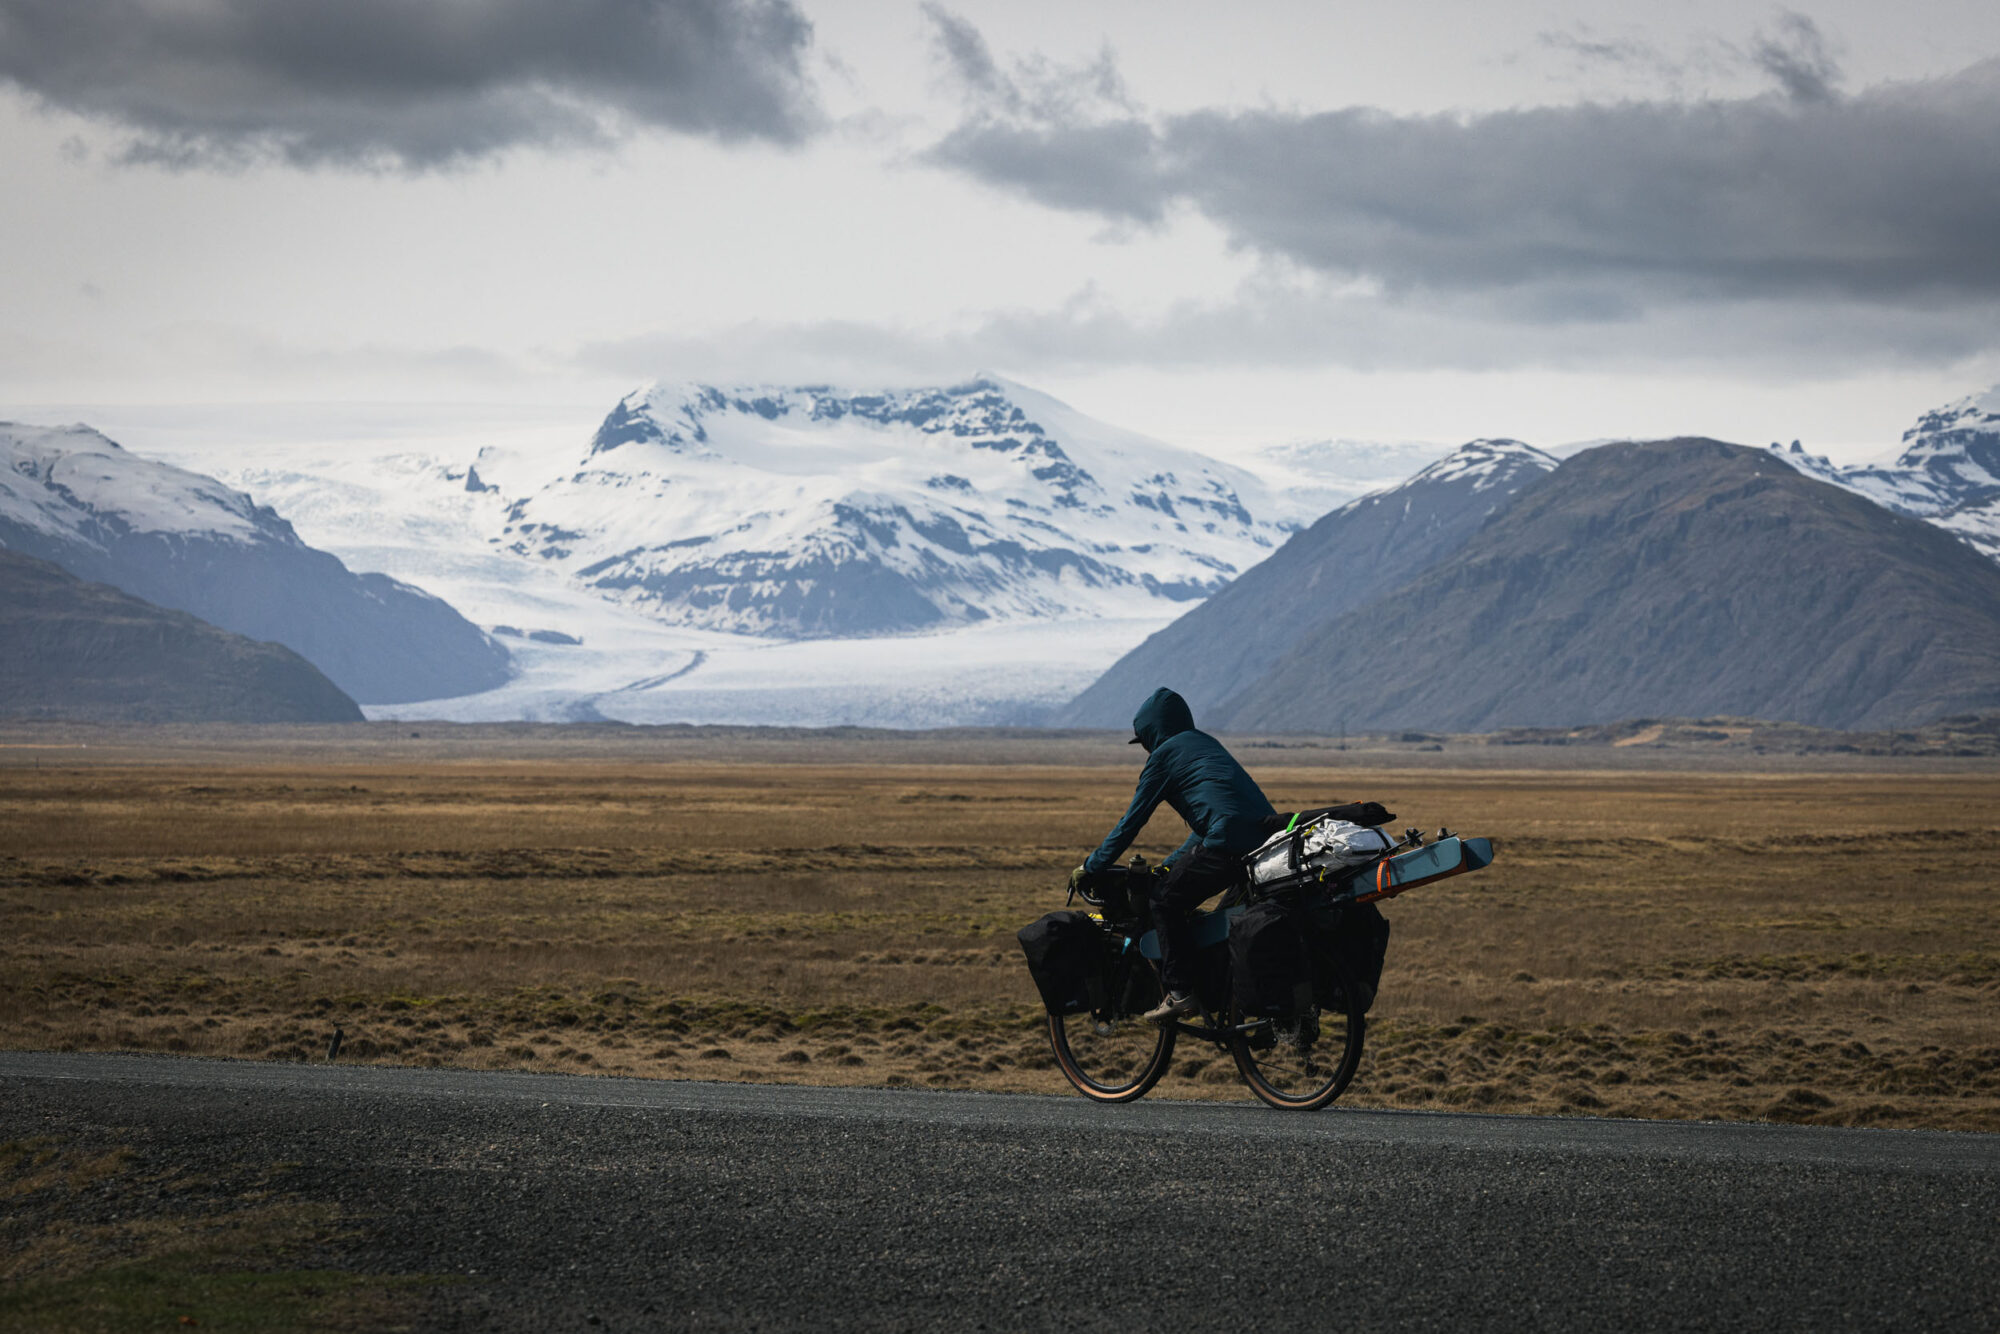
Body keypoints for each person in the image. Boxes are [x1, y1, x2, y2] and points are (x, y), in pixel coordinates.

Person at [1069, 687, 1276, 1023]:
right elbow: (1209, 823)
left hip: (1228, 841)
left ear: (1151, 733)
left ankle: (1180, 993)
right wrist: (1170, 865)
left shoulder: (1163, 756)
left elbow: (1131, 823)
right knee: (1228, 925)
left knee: (1164, 902)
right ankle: (1243, 1008)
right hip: (1264, 841)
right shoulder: (1205, 743)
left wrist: (1092, 865)